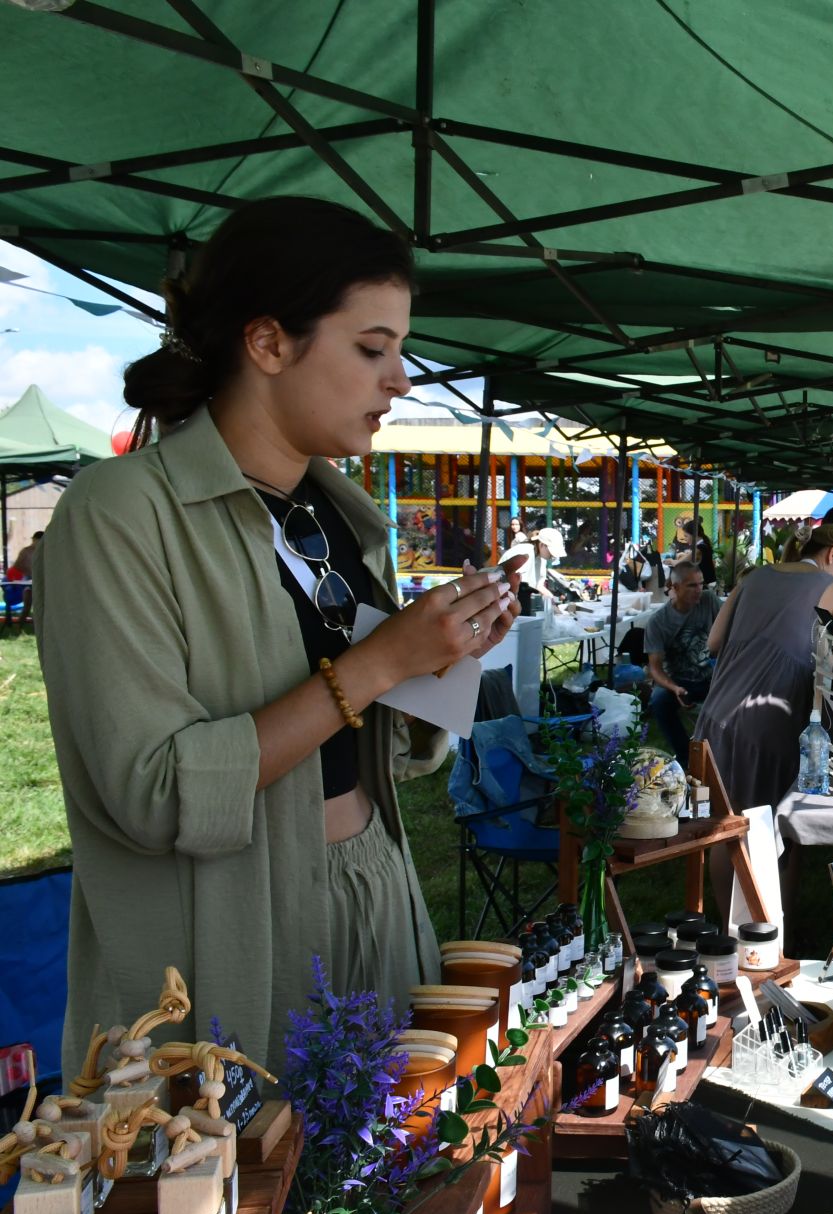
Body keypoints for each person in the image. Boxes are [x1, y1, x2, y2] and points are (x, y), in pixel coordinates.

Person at [35, 196, 523, 1077]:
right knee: (261, 1194)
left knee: (397, 1176)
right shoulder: (118, 516)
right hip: (228, 934)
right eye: (372, 348)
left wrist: (435, 660)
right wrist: (375, 664)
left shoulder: (341, 516)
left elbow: (391, 751)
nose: (401, 378)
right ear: (266, 343)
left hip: (376, 891)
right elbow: (150, 793)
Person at [697, 522, 833, 902]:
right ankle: (769, 939)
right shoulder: (830, 589)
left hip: (717, 715)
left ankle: (728, 928)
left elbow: (714, 642)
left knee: (725, 828)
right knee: (769, 835)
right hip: (767, 720)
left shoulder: (753, 578)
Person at [643, 562, 721, 767]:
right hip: (678, 680)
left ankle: (724, 754)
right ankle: (686, 758)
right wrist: (674, 688)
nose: (699, 590)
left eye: (701, 584)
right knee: (659, 701)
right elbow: (655, 667)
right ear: (674, 587)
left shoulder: (709, 600)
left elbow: (729, 632)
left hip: (710, 675)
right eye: (692, 586)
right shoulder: (658, 621)